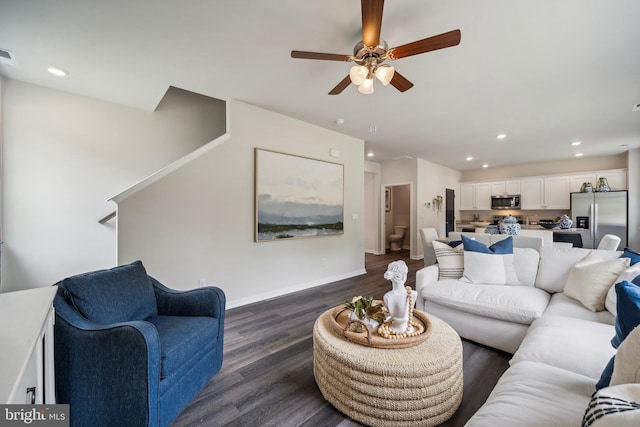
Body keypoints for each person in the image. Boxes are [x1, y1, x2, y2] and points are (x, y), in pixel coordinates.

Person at [383, 260, 417, 333]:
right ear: (404, 277)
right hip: (408, 328)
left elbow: (388, 315)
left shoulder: (388, 297)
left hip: (396, 328)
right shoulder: (413, 293)